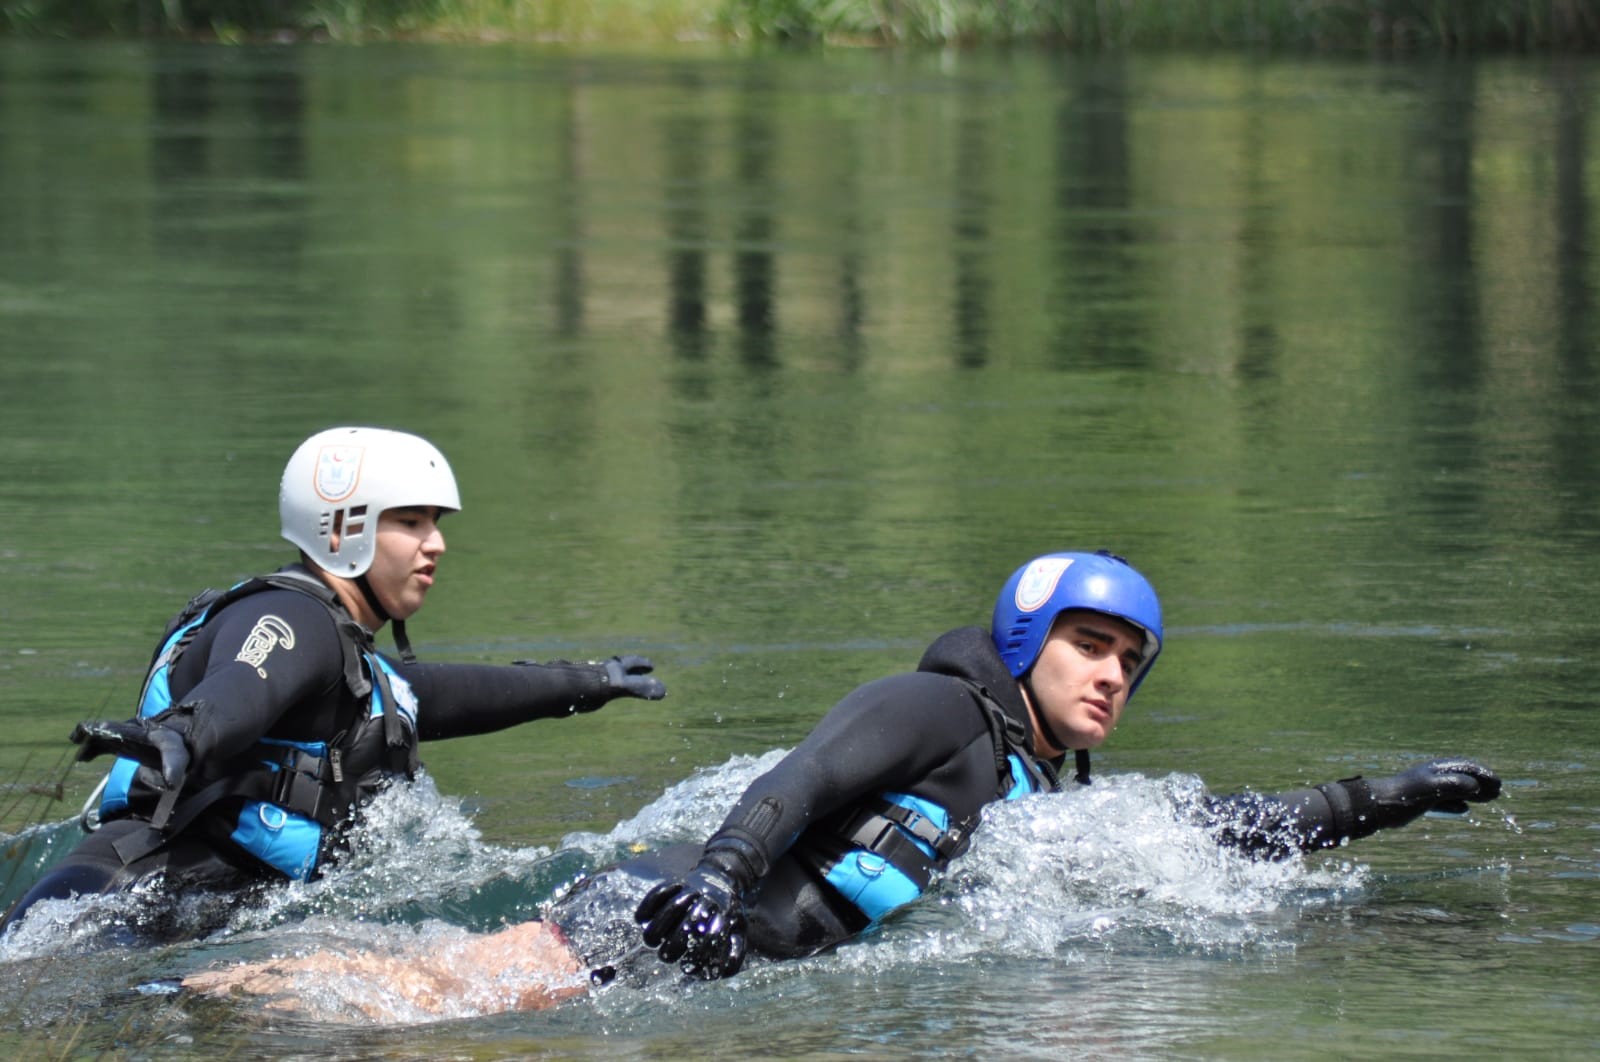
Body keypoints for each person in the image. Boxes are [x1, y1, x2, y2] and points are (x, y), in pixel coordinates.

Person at [175, 550, 1502, 1014]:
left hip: (719, 966)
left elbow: (1205, 835)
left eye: (1132, 660)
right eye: (1090, 645)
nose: (1110, 676)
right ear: (1035, 642)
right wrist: (709, 881)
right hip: (655, 920)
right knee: (419, 1009)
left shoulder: (1030, 786)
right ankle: (186, 998)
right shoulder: (934, 709)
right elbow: (803, 781)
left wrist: (1374, 799)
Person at [0, 426, 666, 940]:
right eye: (410, 522)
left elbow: (450, 693)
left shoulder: (348, 662)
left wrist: (588, 681)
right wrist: (184, 732)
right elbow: (243, 684)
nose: (436, 544)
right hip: (110, 906)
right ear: (344, 528)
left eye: (436, 523)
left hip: (174, 914)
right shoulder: (289, 619)